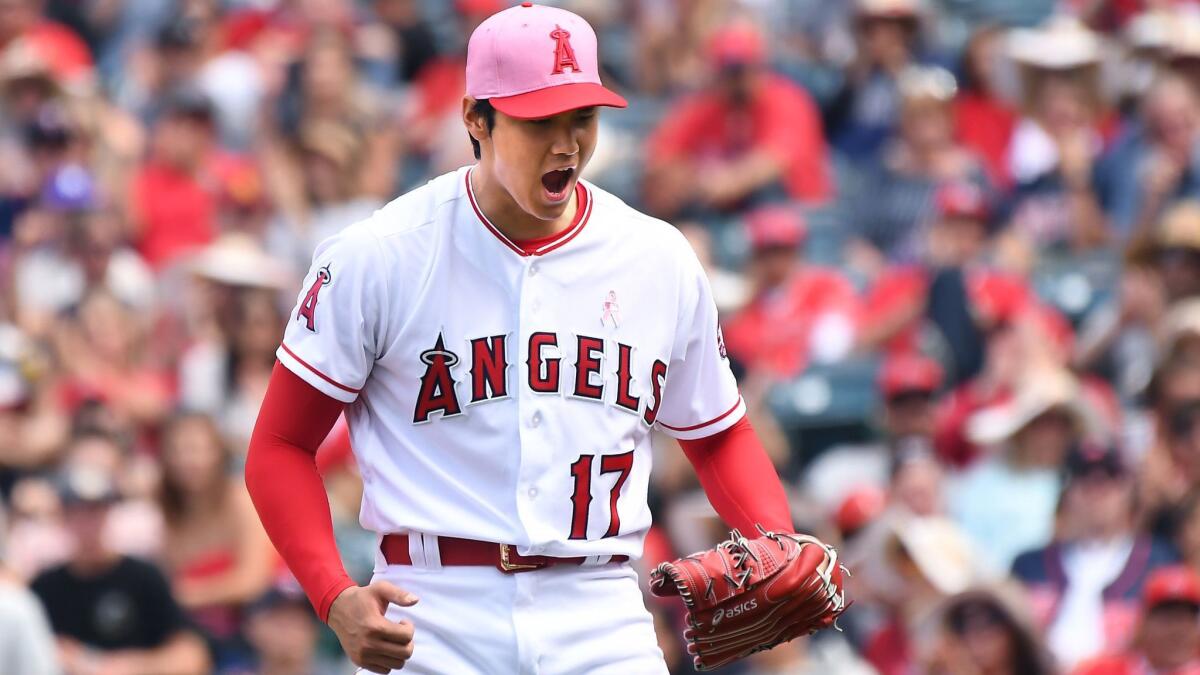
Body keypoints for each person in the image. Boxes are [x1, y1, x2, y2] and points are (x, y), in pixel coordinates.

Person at [243, 4, 844, 674]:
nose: (566, 144)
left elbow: (717, 431)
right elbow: (278, 444)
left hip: (601, 608)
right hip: (434, 610)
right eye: (539, 121)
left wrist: (774, 537)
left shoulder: (656, 256)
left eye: (581, 118)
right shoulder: (380, 254)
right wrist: (332, 593)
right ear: (477, 117)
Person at [642, 21, 831, 221]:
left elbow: (769, 163)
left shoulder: (787, 100)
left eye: (741, 70)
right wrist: (680, 176)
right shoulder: (710, 105)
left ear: (760, 67)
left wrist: (714, 181)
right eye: (727, 72)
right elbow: (659, 155)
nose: (735, 80)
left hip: (800, 214)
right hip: (737, 216)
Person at [30, 466, 210, 675]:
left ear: (108, 512)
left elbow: (192, 655)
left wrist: (114, 666)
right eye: (76, 513)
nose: (86, 523)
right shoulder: (45, 587)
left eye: (94, 511)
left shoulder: (143, 577)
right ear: (62, 517)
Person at [1012, 444, 1177, 669]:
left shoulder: (1159, 560)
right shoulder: (1029, 565)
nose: (1096, 492)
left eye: (1108, 480)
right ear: (1067, 492)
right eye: (1084, 480)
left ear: (1128, 490)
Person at [1072, 566, 1200, 675]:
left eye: (1188, 619)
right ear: (1143, 623)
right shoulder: (1104, 670)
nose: (1178, 631)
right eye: (1168, 619)